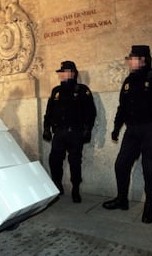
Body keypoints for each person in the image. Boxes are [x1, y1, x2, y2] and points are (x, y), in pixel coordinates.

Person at [102, 45, 152, 223]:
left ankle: (149, 206)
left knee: (149, 169)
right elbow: (122, 107)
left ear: (143, 59)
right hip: (132, 130)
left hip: (151, 129)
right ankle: (122, 199)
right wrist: (116, 127)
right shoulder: (128, 81)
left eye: (132, 58)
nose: (129, 62)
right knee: (121, 164)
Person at [43, 61, 97, 203]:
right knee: (54, 160)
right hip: (59, 133)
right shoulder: (56, 91)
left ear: (72, 73)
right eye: (60, 72)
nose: (61, 75)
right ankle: (57, 185)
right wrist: (46, 128)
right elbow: (48, 112)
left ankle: (76, 189)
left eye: (64, 72)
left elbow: (91, 113)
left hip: (75, 133)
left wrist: (87, 130)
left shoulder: (82, 90)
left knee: (75, 161)